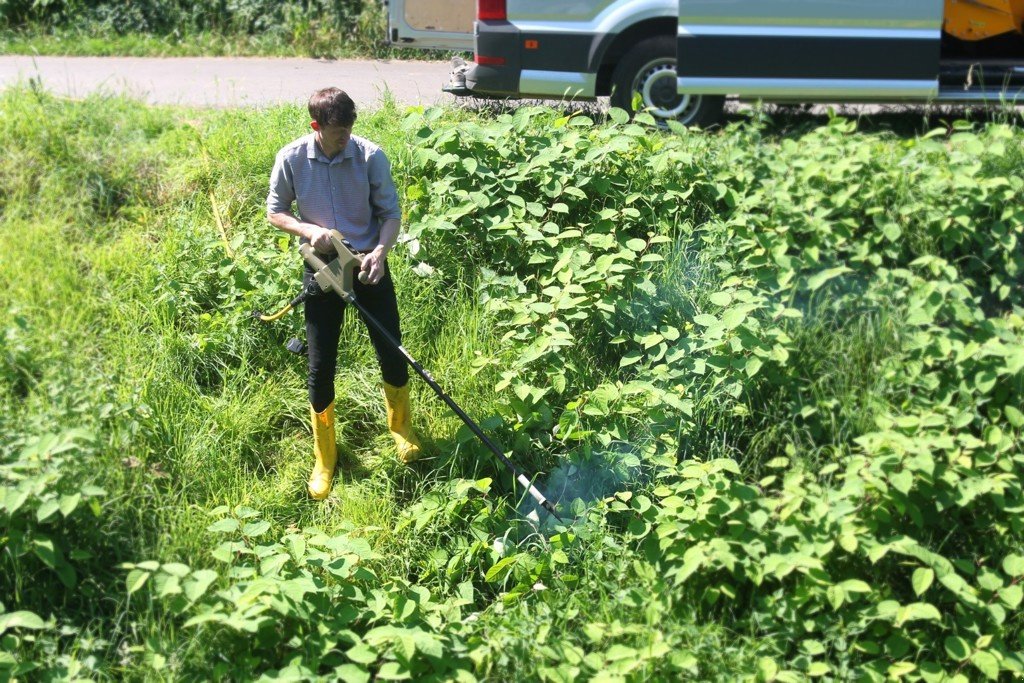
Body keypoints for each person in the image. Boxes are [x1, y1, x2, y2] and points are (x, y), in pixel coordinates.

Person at [267, 87, 420, 500]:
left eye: (350, 129)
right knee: (320, 364)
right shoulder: (292, 158)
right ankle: (326, 457)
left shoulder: (370, 155)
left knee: (391, 348)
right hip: (323, 268)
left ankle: (401, 429)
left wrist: (381, 254)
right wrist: (306, 229)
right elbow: (275, 210)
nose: (345, 139)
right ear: (316, 126)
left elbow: (390, 213)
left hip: (369, 264)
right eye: (337, 133)